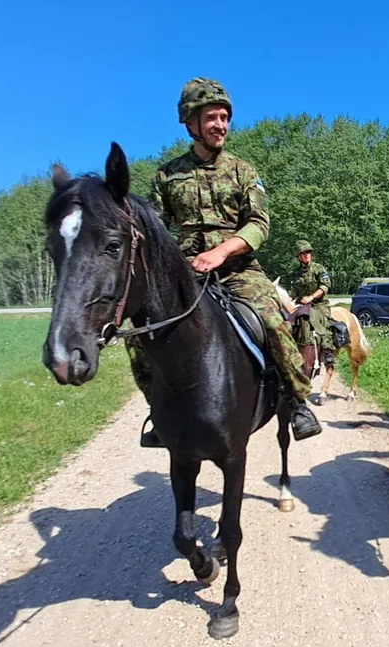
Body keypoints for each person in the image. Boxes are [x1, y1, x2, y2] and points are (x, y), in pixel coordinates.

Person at [131, 77, 321, 447]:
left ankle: (297, 400)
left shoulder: (243, 171)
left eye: (224, 117)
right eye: (211, 117)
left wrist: (221, 251)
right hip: (183, 271)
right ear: (191, 123)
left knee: (272, 321)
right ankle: (159, 411)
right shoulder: (166, 175)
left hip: (238, 269)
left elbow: (259, 224)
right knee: (140, 337)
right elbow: (155, 228)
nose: (220, 125)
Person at [286, 239, 334, 402]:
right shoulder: (295, 272)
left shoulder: (318, 268)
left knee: (321, 324)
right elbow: (293, 289)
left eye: (308, 252)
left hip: (319, 305)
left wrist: (312, 297)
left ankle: (328, 352)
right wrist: (288, 298)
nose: (307, 255)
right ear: (298, 256)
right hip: (302, 304)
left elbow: (325, 286)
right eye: (304, 253)